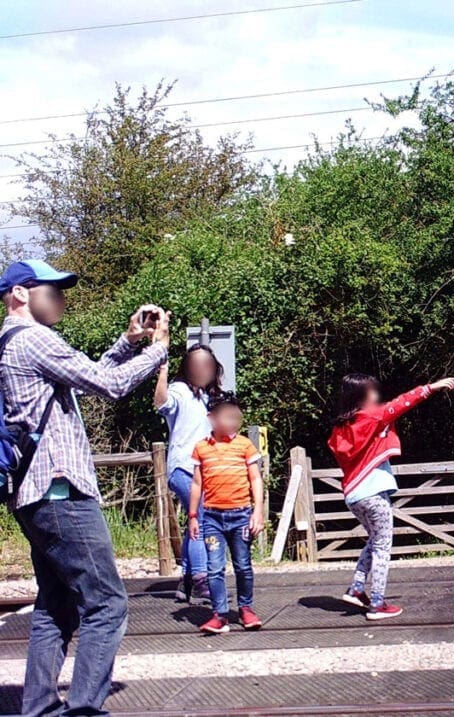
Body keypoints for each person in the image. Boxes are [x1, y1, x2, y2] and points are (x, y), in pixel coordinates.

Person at [0, 259, 169, 717]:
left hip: (33, 492)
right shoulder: (34, 339)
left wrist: (128, 341)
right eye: (51, 290)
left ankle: (37, 708)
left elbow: (87, 378)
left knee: (56, 605)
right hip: (61, 491)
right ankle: (84, 711)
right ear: (20, 293)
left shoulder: (11, 342)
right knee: (107, 603)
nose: (61, 298)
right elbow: (110, 386)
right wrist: (158, 350)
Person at [327, 373, 454, 620]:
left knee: (375, 540)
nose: (377, 395)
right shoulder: (372, 416)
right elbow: (402, 403)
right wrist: (432, 387)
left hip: (354, 495)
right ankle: (377, 602)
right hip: (374, 491)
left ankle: (356, 588)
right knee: (383, 547)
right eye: (372, 391)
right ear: (361, 397)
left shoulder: (342, 427)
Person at [188, 391, 264, 634]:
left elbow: (256, 479)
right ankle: (220, 614)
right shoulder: (201, 448)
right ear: (212, 418)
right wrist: (192, 516)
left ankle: (246, 608)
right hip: (212, 518)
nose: (233, 421)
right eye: (227, 416)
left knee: (243, 564)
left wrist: (258, 512)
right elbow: (197, 484)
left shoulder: (244, 445)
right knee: (214, 566)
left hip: (241, 515)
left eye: (236, 417)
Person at [154, 345, 224, 603]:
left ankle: (186, 580)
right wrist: (162, 372)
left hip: (202, 470)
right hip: (183, 467)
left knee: (195, 521)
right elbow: (161, 403)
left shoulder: (208, 397)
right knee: (202, 519)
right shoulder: (180, 390)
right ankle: (201, 579)